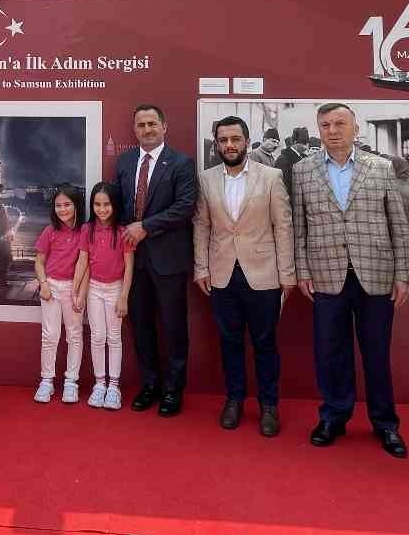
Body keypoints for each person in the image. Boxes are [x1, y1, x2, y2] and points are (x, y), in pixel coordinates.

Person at [289, 102, 409, 458]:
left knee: (376, 354)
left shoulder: (381, 167)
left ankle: (385, 424)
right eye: (325, 124)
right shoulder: (302, 171)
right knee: (331, 352)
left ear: (355, 128)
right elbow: (300, 226)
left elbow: (398, 225)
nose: (333, 130)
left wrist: (403, 274)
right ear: (318, 130)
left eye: (340, 123)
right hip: (326, 274)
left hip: (376, 274)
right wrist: (303, 270)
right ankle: (333, 416)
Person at [193, 115, 296, 438]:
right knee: (229, 342)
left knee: (265, 343)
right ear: (217, 143)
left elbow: (283, 225)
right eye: (223, 140)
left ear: (246, 141)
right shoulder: (206, 179)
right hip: (222, 275)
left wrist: (287, 273)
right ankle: (234, 400)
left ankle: (268, 406)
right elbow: (202, 226)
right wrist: (201, 268)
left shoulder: (271, 176)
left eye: (235, 139)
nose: (229, 145)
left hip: (263, 274)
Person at [115, 104, 198, 417]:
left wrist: (146, 227)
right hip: (134, 262)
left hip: (169, 259)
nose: (147, 129)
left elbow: (185, 207)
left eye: (152, 124)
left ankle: (173, 390)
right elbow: (121, 206)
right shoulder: (124, 162)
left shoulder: (181, 163)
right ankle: (150, 385)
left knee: (174, 327)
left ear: (165, 126)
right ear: (134, 129)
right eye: (141, 125)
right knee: (141, 326)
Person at [32, 185, 90, 404]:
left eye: (67, 205)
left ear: (76, 206)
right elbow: (39, 261)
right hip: (52, 288)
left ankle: (71, 382)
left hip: (73, 289)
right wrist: (44, 284)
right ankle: (46, 380)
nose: (62, 209)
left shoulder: (85, 231)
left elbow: (87, 265)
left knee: (74, 335)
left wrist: (79, 293)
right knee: (50, 335)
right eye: (58, 205)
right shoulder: (50, 231)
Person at [79, 183, 132, 409]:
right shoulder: (86, 230)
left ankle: (114, 386)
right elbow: (83, 261)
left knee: (114, 338)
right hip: (93, 289)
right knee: (97, 337)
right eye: (97, 205)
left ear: (114, 205)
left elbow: (129, 267)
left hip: (115, 289)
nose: (102, 209)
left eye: (107, 204)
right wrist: (76, 291)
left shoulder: (123, 232)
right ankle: (99, 384)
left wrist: (123, 297)